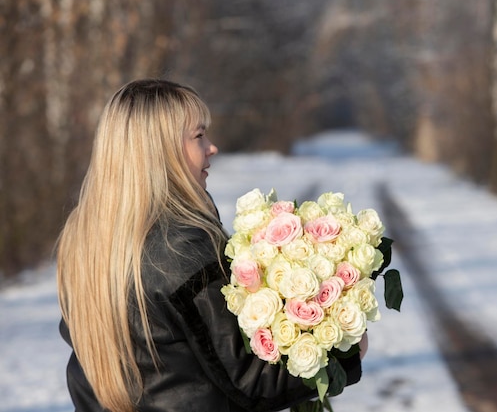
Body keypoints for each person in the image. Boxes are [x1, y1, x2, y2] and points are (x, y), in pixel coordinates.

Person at [56, 79, 364, 412]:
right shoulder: (179, 250)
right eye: (199, 136)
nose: (212, 147)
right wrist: (344, 353)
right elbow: (249, 381)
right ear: (161, 150)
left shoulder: (84, 240)